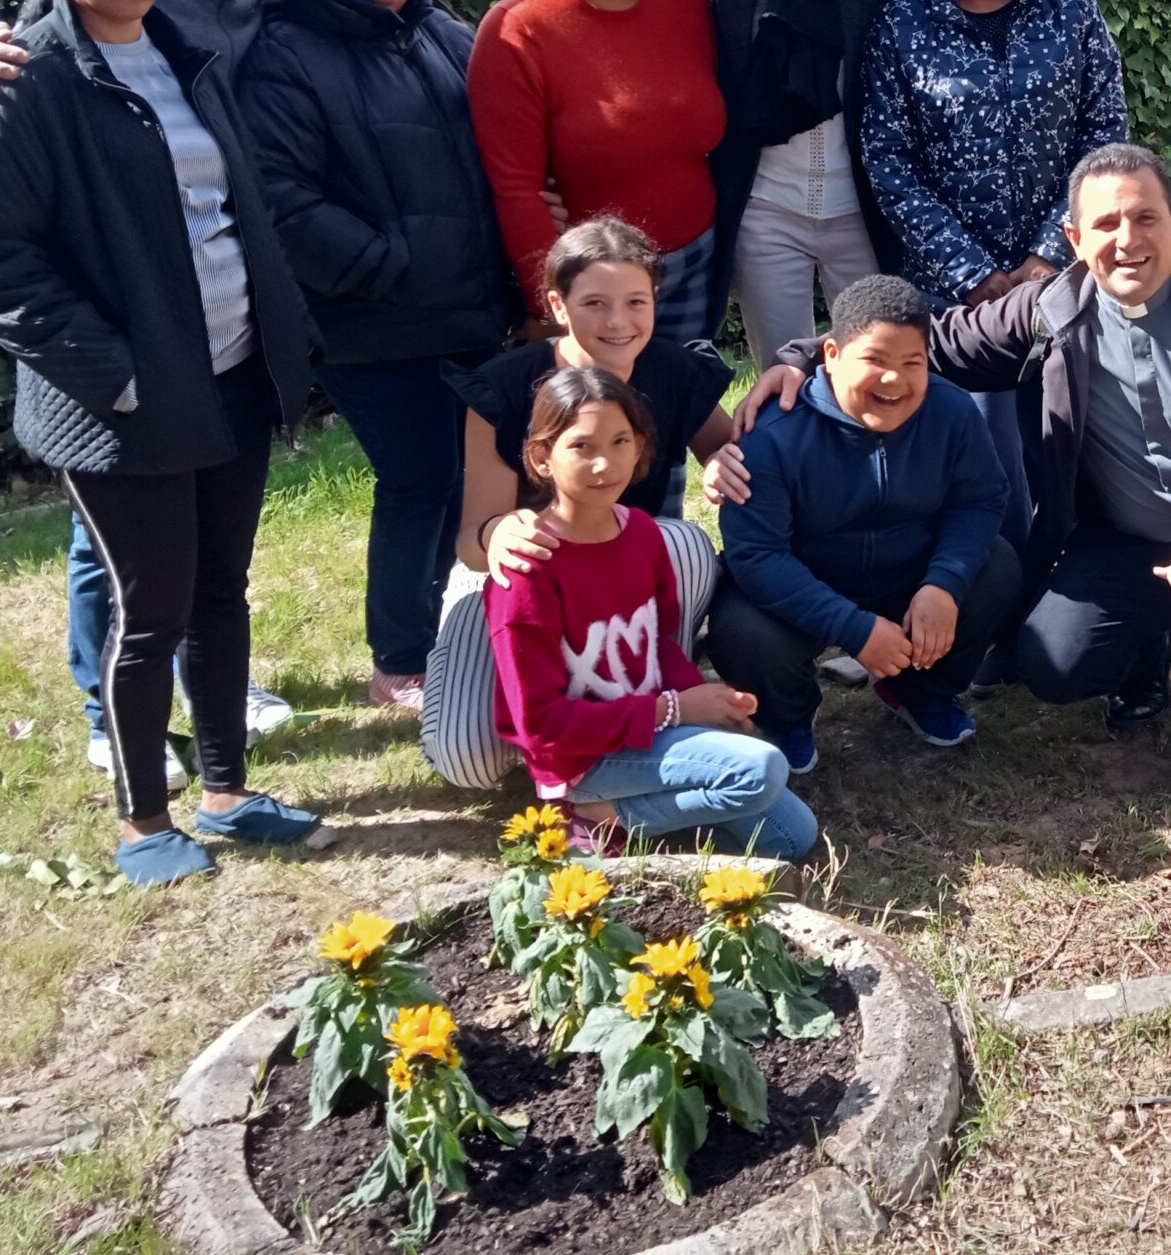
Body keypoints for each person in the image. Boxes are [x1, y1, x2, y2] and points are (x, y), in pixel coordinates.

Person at [741, 144, 1171, 825]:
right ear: (1073, 238)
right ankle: (1148, 654)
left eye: (1145, 219)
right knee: (1055, 667)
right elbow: (930, 342)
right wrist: (805, 357)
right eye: (1105, 224)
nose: (1127, 241)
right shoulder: (1044, 311)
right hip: (1134, 546)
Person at [0, 0, 320, 886]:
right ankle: (143, 822)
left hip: (231, 376)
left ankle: (227, 794)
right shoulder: (26, 79)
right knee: (149, 615)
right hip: (126, 405)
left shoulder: (182, 52)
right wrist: (115, 374)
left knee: (222, 596)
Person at [234, 0, 517, 717]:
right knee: (419, 478)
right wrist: (389, 266)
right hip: (370, 321)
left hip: (466, 311)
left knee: (468, 481)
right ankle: (399, 659)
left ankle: (455, 637)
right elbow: (280, 201)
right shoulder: (283, 47)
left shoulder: (440, 33)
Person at [861, 0, 1130, 543]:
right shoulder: (900, 28)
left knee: (1082, 452)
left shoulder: (1070, 9)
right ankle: (999, 592)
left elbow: (1104, 136)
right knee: (984, 476)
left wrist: (1049, 254)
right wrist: (976, 275)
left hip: (1067, 276)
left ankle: (1081, 582)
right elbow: (890, 162)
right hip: (957, 302)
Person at [421, 217, 743, 790]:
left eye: (635, 302)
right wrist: (498, 534)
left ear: (654, 299)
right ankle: (549, 712)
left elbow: (723, 445)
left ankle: (655, 694)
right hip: (522, 572)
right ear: (557, 304)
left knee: (684, 542)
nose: (617, 322)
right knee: (467, 763)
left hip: (623, 576)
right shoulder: (502, 386)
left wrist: (722, 458)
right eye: (594, 303)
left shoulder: (670, 368)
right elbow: (472, 539)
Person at [484, 365, 816, 859]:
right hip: (582, 757)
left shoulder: (641, 532)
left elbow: (658, 641)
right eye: (582, 446)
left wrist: (706, 702)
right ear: (542, 457)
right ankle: (598, 813)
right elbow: (541, 726)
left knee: (793, 836)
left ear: (640, 447)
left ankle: (649, 808)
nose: (605, 463)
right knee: (761, 769)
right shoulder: (528, 570)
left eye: (620, 442)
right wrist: (676, 710)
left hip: (651, 728)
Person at [710, 275, 1019, 771]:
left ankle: (918, 692)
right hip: (806, 585)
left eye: (912, 363)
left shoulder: (953, 411)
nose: (894, 380)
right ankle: (788, 716)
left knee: (996, 568)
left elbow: (980, 501)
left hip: (907, 574)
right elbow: (758, 556)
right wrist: (853, 628)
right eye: (875, 360)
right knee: (739, 626)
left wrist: (943, 584)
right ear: (831, 355)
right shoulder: (771, 434)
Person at [686, 0, 926, 368]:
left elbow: (946, 18)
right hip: (765, 210)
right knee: (783, 379)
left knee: (878, 372)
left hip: (864, 208)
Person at [471, 0, 727, 342]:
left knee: (685, 395)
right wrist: (549, 305)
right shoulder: (515, 30)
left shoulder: (690, 10)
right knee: (605, 399)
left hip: (694, 270)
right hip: (591, 289)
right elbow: (517, 188)